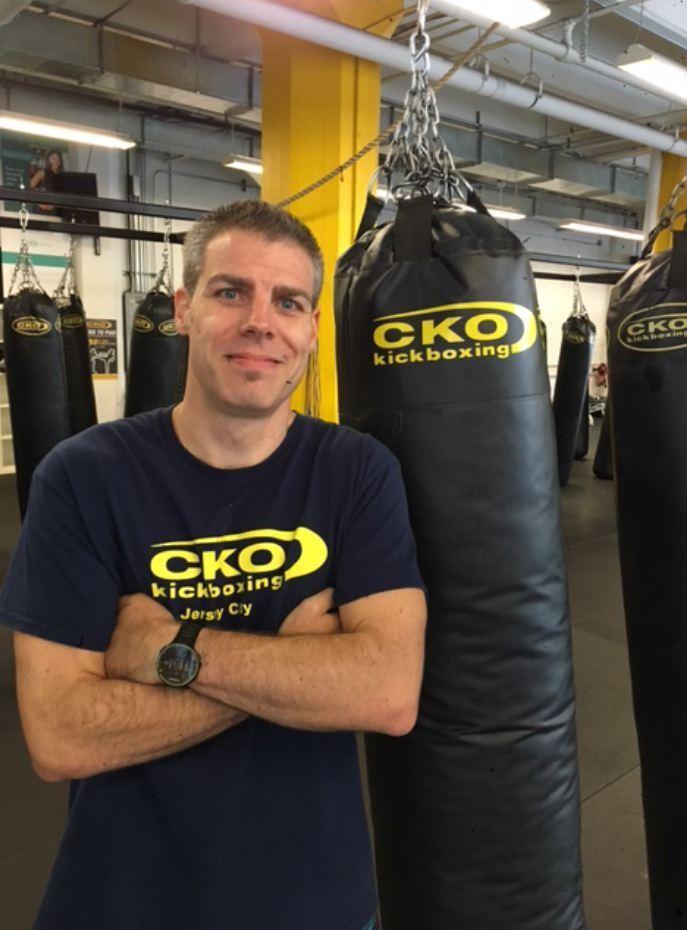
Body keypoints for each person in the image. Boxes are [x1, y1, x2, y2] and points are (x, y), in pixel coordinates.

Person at [0, 200, 427, 930]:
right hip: (120, 903)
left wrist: (170, 650)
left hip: (313, 903)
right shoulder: (84, 476)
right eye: (231, 291)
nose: (261, 321)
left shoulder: (356, 472)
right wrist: (299, 663)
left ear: (312, 329)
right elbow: (61, 735)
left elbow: (386, 693)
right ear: (184, 310)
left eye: (287, 302)